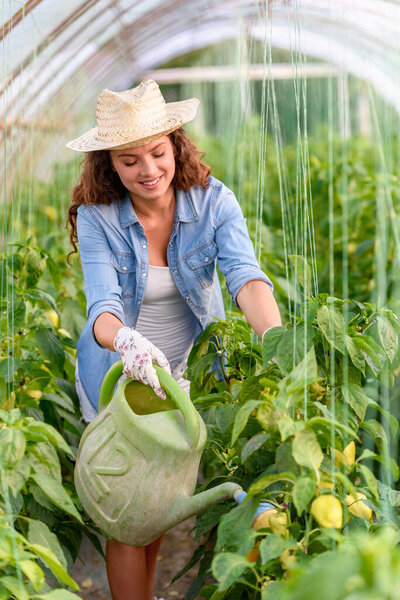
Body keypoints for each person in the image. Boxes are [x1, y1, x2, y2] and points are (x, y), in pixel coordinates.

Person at [66, 79, 282, 600]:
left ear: (176, 145)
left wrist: (279, 347)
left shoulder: (213, 203)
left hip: (186, 372)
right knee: (124, 511)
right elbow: (102, 309)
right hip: (118, 375)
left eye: (158, 153)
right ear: (109, 165)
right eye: (128, 160)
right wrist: (129, 345)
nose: (148, 170)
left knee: (160, 500)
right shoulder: (100, 219)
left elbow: (246, 279)